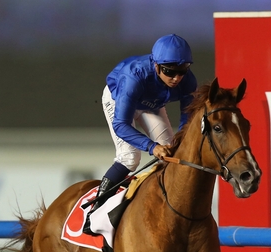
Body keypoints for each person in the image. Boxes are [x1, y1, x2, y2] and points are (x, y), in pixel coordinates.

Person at [83, 33, 198, 235]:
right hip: (120, 100)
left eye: (183, 71)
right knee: (130, 158)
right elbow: (121, 125)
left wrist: (181, 141)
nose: (176, 78)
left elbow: (186, 121)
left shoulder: (188, 82)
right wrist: (152, 147)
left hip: (150, 104)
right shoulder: (133, 78)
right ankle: (94, 212)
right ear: (156, 65)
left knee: (171, 153)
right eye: (170, 71)